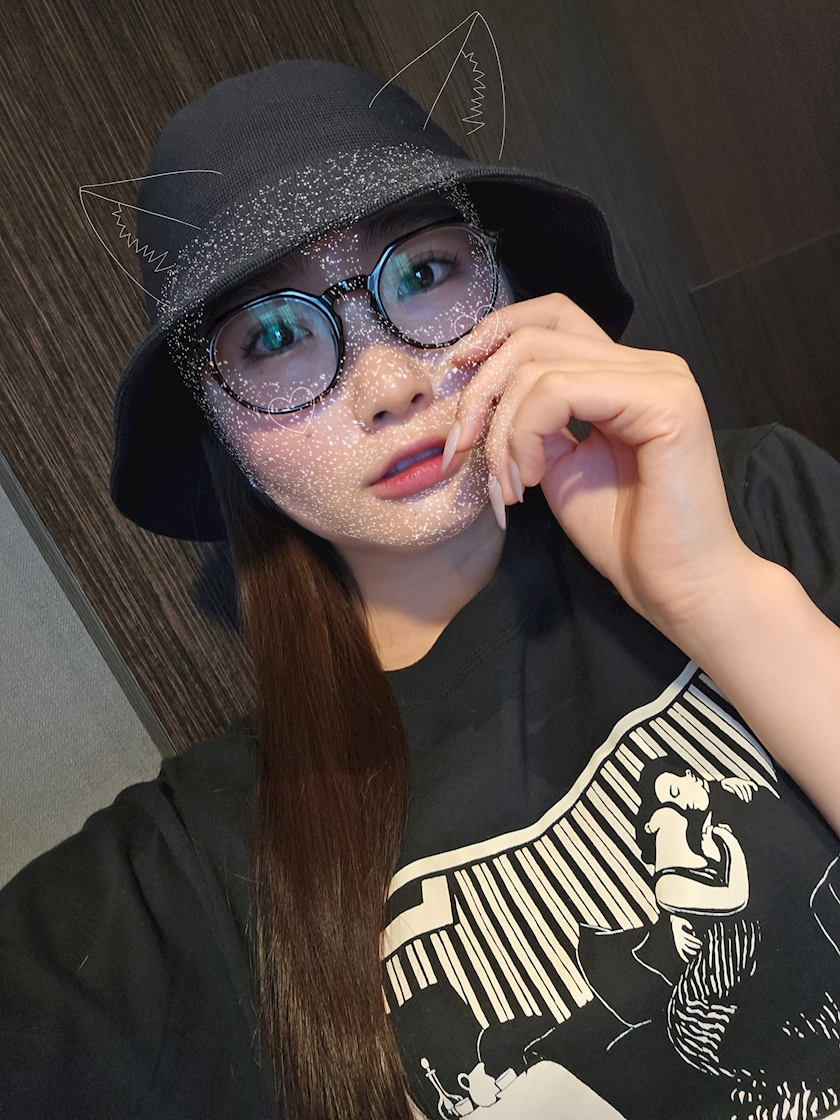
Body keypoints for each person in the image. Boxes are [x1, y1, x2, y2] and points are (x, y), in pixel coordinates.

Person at [2, 58, 840, 1120]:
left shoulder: (751, 506)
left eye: (426, 272)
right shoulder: (198, 867)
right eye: (273, 337)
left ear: (509, 284)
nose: (390, 384)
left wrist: (717, 592)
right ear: (217, 427)